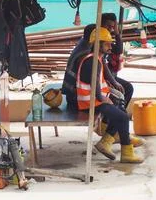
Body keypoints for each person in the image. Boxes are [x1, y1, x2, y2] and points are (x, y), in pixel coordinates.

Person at [76, 28, 143, 163]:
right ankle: (127, 153)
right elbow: (95, 84)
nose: (110, 46)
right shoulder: (92, 61)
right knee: (123, 117)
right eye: (107, 44)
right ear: (97, 44)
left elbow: (101, 80)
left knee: (120, 110)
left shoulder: (97, 59)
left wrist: (111, 91)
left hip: (95, 100)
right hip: (90, 103)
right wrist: (104, 99)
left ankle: (107, 141)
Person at [101, 13, 134, 109]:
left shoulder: (106, 36)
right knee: (120, 94)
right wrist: (113, 82)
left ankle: (119, 113)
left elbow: (118, 50)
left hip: (108, 77)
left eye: (112, 27)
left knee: (128, 88)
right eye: (108, 26)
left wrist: (117, 33)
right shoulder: (98, 38)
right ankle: (115, 116)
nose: (110, 29)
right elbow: (102, 62)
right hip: (102, 79)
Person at [61, 24, 96, 111]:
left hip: (72, 94)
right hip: (75, 98)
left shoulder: (84, 42)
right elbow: (90, 82)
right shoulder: (85, 54)